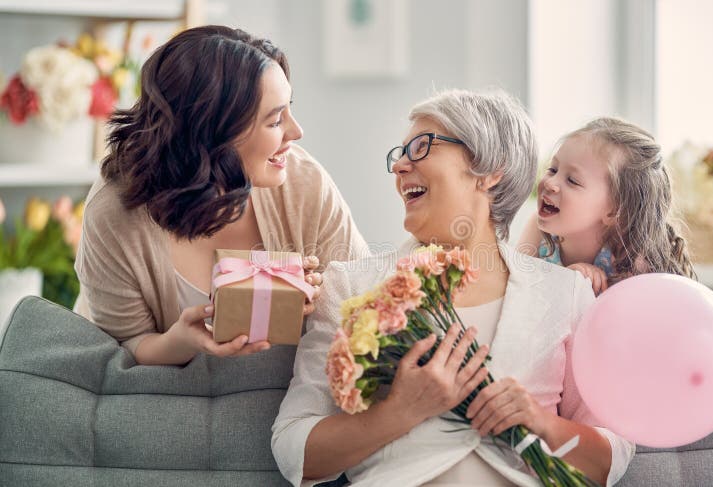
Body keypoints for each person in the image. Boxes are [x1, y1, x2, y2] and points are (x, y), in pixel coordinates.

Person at [272, 90, 634, 486]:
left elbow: (610, 459)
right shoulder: (350, 285)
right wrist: (398, 413)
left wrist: (540, 421)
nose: (400, 166)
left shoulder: (566, 294)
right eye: (400, 153)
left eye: (422, 147)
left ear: (491, 170)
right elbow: (294, 450)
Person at [74, 26, 369, 366]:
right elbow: (126, 343)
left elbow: (362, 306)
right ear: (213, 134)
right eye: (275, 121)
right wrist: (182, 341)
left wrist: (324, 301)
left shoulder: (304, 184)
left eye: (289, 109)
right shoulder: (115, 212)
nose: (297, 132)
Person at [517, 118, 695, 295]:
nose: (550, 183)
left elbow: (634, 320)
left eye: (572, 180)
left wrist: (584, 292)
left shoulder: (630, 261)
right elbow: (516, 293)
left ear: (614, 211)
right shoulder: (538, 230)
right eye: (553, 170)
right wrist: (564, 284)